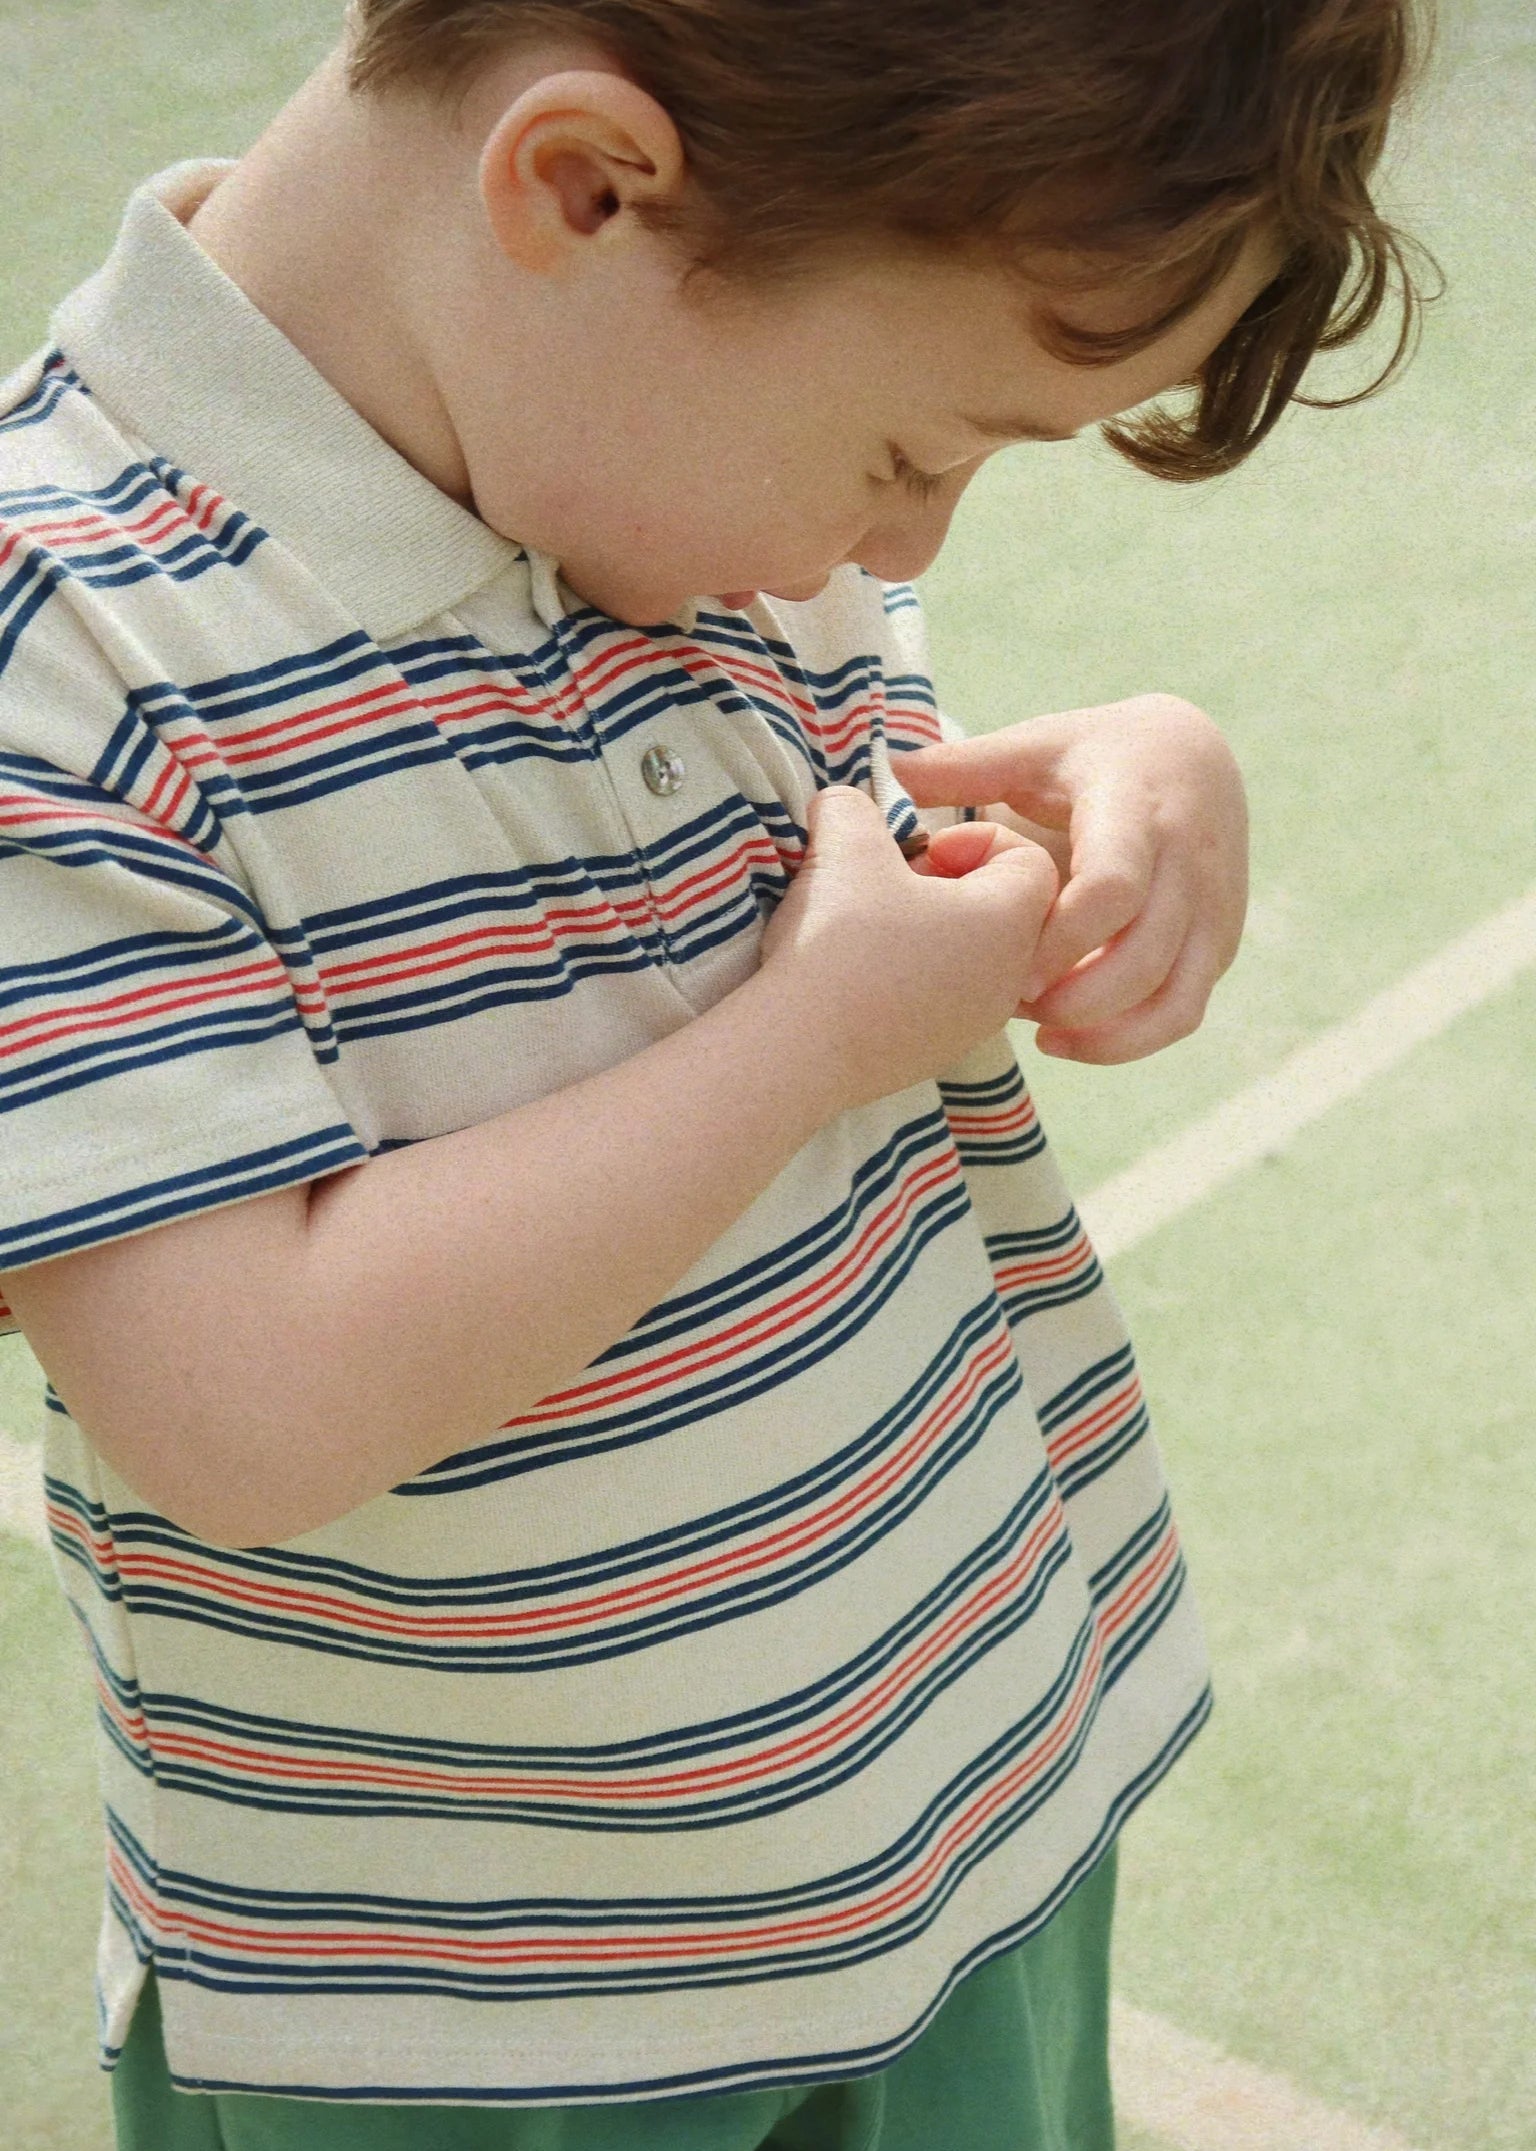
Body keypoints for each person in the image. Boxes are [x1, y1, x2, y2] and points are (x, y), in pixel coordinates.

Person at [0, 1, 1423, 2144]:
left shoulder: (634, 479)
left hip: (964, 1827)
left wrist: (1111, 786)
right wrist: (805, 1042)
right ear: (581, 187)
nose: (906, 550)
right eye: (911, 449)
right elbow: (243, 1408)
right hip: (489, 2028)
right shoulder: (72, 661)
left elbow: (857, 870)